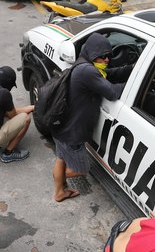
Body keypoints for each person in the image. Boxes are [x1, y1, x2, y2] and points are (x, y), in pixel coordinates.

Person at [51, 33, 132, 202]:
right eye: (102, 56)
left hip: (61, 125)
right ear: (93, 54)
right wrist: (136, 83)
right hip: (71, 132)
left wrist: (132, 70)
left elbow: (108, 74)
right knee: (81, 169)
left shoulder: (84, 63)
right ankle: (63, 181)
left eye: (108, 56)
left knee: (61, 157)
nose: (107, 59)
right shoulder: (87, 71)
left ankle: (59, 192)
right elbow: (112, 92)